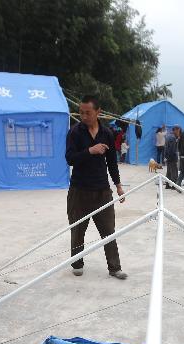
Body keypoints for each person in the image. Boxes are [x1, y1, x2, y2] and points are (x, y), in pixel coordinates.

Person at [64, 95, 128, 280]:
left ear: (98, 112)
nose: (84, 116)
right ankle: (77, 263)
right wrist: (89, 151)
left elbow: (112, 163)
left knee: (108, 230)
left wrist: (118, 186)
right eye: (81, 112)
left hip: (102, 191)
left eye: (88, 113)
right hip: (79, 190)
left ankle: (114, 268)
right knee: (77, 230)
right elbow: (69, 158)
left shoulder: (107, 133)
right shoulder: (75, 132)